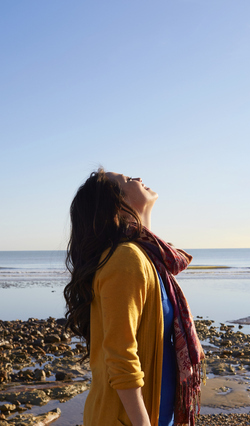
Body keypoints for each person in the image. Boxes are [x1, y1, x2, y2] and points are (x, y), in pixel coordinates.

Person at [64, 169, 205, 426]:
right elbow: (121, 354)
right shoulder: (125, 259)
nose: (139, 178)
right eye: (128, 180)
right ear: (118, 206)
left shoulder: (147, 258)